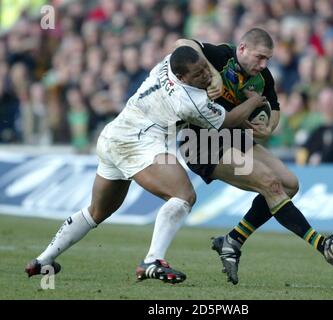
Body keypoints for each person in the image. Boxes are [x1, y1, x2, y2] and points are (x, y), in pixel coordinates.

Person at [24, 46, 268, 284]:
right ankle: (153, 260)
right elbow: (228, 121)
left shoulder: (169, 61)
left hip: (114, 135)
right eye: (198, 74)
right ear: (182, 77)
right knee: (183, 195)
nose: (205, 74)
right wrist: (254, 101)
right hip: (137, 141)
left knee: (97, 212)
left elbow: (188, 50)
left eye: (205, 68)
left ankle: (43, 259)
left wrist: (212, 76)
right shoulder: (190, 101)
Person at [175, 28, 333, 285]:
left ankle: (232, 240)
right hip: (202, 143)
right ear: (242, 49)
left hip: (235, 138)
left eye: (268, 59)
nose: (264, 64)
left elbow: (275, 111)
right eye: (260, 57)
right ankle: (323, 245)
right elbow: (182, 42)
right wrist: (213, 75)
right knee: (269, 183)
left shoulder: (263, 78)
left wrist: (268, 127)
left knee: (290, 184)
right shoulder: (221, 56)